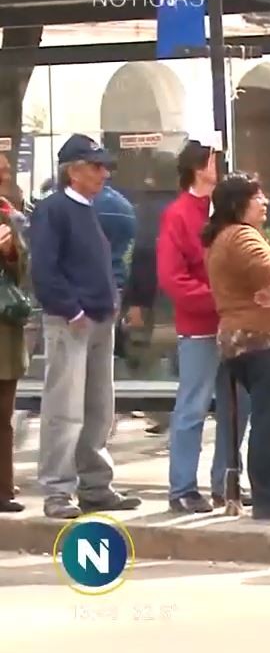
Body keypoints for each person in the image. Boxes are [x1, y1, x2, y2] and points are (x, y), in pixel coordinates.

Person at [30, 134, 142, 519]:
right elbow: (43, 268)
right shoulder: (54, 209)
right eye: (95, 166)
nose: (103, 173)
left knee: (98, 407)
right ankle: (58, 491)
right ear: (73, 171)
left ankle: (96, 486)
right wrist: (70, 308)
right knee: (64, 408)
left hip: (97, 318)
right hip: (70, 320)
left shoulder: (87, 208)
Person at [204, 174, 270, 520]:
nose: (264, 203)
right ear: (238, 205)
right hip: (264, 340)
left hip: (252, 340)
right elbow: (259, 265)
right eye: (257, 197)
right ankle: (269, 495)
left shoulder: (226, 236)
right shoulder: (242, 234)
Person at [158, 140, 253, 513]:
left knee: (237, 406)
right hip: (200, 325)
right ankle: (182, 487)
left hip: (231, 323)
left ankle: (226, 481)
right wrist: (218, 297)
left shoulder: (223, 212)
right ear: (201, 166)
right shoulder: (179, 214)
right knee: (193, 407)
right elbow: (172, 277)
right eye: (216, 159)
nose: (222, 165)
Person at [0, 156, 28, 513]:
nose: (4, 177)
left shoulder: (8, 215)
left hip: (4, 335)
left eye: (6, 172)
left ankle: (3, 489)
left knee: (3, 416)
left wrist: (9, 252)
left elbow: (23, 273)